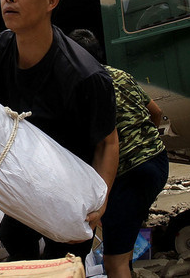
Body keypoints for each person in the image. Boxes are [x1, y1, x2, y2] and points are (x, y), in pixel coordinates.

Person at [0, 0, 119, 262]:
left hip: (71, 184)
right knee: (13, 236)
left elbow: (108, 142)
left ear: (51, 0)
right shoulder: (3, 47)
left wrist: (102, 196)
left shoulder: (85, 75)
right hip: (27, 176)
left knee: (65, 256)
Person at [67, 29, 169, 278]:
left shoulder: (81, 86)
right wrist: (142, 142)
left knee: (114, 263)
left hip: (129, 175)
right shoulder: (121, 75)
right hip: (157, 161)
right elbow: (155, 112)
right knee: (122, 242)